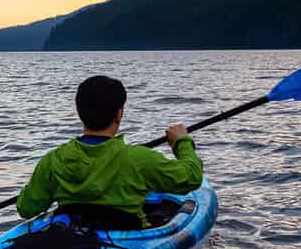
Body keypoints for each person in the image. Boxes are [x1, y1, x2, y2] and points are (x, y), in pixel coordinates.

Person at [16, 75, 203, 229]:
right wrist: (181, 142)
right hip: (128, 239)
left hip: (73, 237)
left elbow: (26, 208)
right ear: (119, 114)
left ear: (79, 112)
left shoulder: (53, 160)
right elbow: (192, 177)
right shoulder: (139, 159)